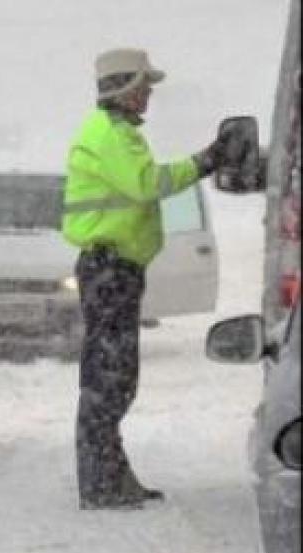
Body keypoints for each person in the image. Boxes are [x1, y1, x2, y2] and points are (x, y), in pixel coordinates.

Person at [62, 48, 225, 510]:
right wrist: (206, 160)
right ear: (123, 88)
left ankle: (109, 474)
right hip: (109, 267)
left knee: (113, 376)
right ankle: (100, 481)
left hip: (113, 268)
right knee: (110, 378)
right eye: (143, 85)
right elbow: (147, 184)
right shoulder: (112, 135)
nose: (148, 93)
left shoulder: (115, 133)